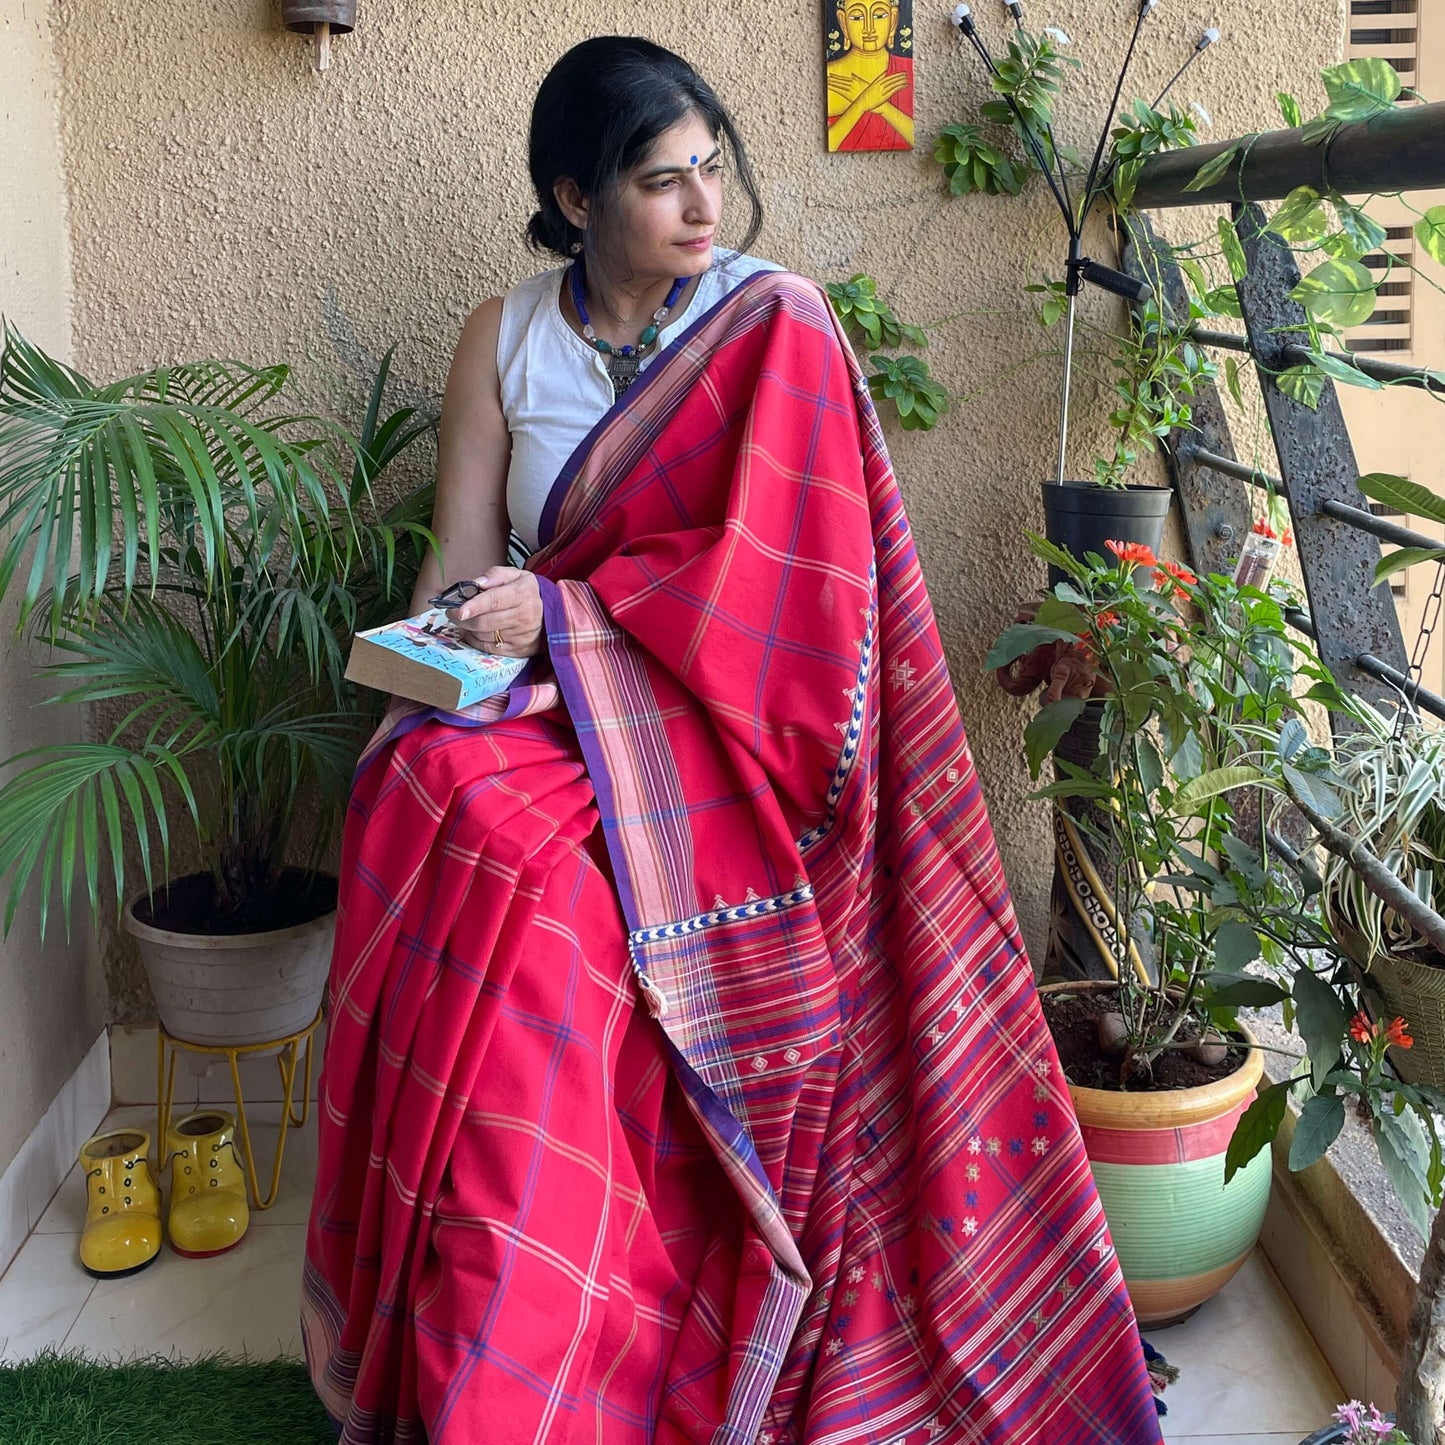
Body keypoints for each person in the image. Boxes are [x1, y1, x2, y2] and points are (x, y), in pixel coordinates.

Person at [302, 34, 1164, 1445]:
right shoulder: (503, 338)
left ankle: (586, 1330)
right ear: (574, 201)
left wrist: (567, 615)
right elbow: (455, 572)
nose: (705, 206)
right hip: (545, 714)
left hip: (727, 743)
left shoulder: (774, 328)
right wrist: (425, 669)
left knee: (548, 914)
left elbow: (801, 610)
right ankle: (483, 1333)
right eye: (661, 180)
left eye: (714, 166)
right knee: (424, 802)